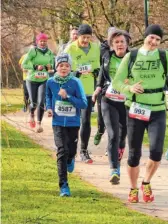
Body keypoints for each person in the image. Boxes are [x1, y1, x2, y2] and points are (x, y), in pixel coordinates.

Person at [113, 25, 168, 203]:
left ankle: (146, 182)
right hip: (136, 108)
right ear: (145, 36)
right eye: (151, 38)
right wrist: (129, 88)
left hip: (157, 110)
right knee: (134, 154)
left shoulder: (164, 56)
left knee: (156, 152)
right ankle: (133, 188)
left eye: (157, 39)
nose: (154, 42)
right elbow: (117, 81)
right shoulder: (131, 56)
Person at [92, 28, 131, 184]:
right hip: (109, 100)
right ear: (112, 45)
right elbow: (102, 73)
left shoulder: (133, 58)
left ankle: (118, 153)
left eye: (122, 41)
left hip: (127, 101)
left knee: (123, 135)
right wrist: (97, 88)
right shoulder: (107, 57)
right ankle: (114, 169)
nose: (119, 44)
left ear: (127, 44)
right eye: (116, 42)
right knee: (113, 134)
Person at [46, 53, 88, 196]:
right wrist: (49, 108)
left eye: (67, 66)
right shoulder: (50, 82)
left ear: (70, 68)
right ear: (56, 67)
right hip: (57, 123)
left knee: (70, 151)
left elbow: (83, 103)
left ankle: (71, 159)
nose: (64, 68)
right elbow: (48, 96)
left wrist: (68, 97)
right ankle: (64, 186)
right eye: (61, 65)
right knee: (61, 151)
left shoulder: (75, 82)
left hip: (73, 123)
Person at [64, 24, 100, 163]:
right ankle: (69, 149)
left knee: (86, 121)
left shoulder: (95, 47)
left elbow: (98, 65)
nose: (85, 40)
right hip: (73, 90)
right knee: (73, 121)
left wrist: (96, 71)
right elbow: (62, 68)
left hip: (89, 90)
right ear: (78, 36)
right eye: (83, 37)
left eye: (88, 37)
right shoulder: (70, 49)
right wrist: (76, 73)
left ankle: (84, 151)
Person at [21, 33, 55, 132]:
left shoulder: (49, 52)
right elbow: (24, 64)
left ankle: (39, 124)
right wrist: (35, 67)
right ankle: (31, 113)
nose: (43, 43)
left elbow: (52, 65)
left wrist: (50, 67)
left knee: (41, 102)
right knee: (34, 102)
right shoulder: (33, 51)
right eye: (41, 41)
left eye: (44, 41)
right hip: (31, 79)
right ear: (38, 42)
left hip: (43, 80)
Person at [93, 27, 118, 147]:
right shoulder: (103, 48)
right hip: (104, 88)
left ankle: (111, 146)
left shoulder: (124, 51)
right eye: (112, 37)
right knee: (101, 119)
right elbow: (103, 64)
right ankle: (100, 130)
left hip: (119, 91)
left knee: (113, 123)